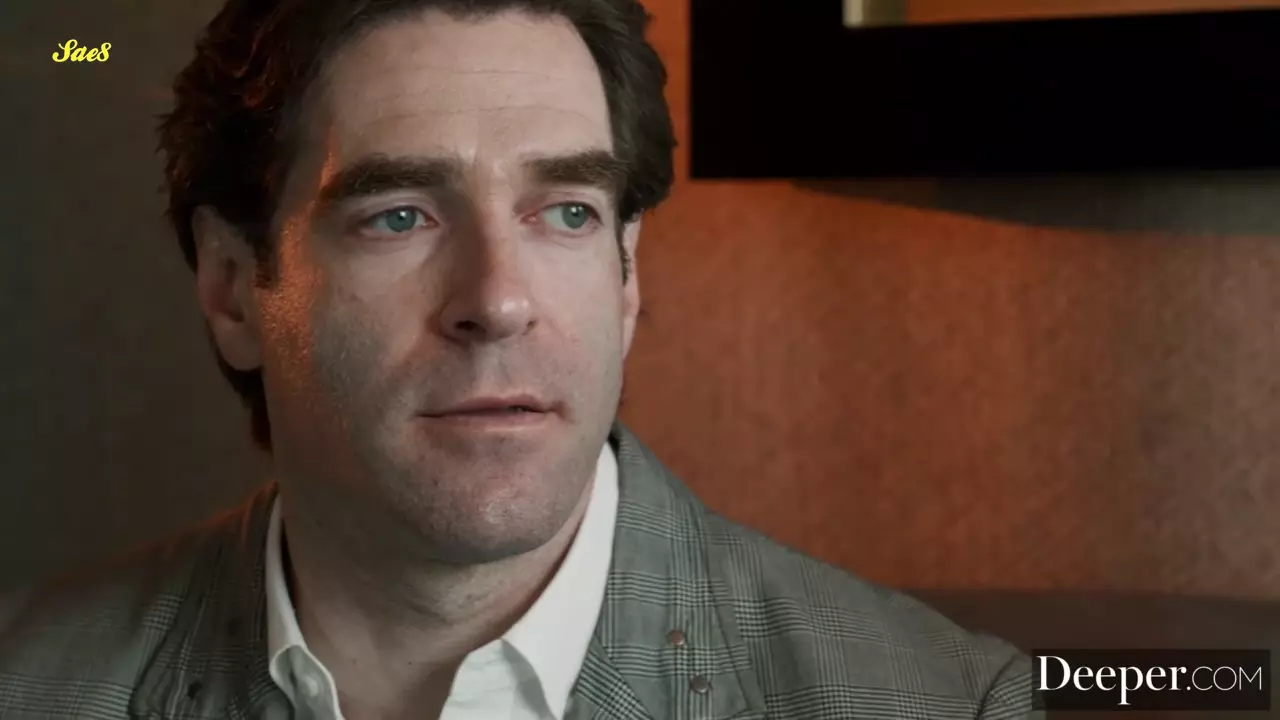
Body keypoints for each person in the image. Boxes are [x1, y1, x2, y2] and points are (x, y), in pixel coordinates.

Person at [0, 0, 1038, 717]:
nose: (497, 301)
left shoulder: (945, 703)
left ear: (626, 277)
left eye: (567, 212)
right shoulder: (28, 682)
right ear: (232, 287)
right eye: (399, 215)